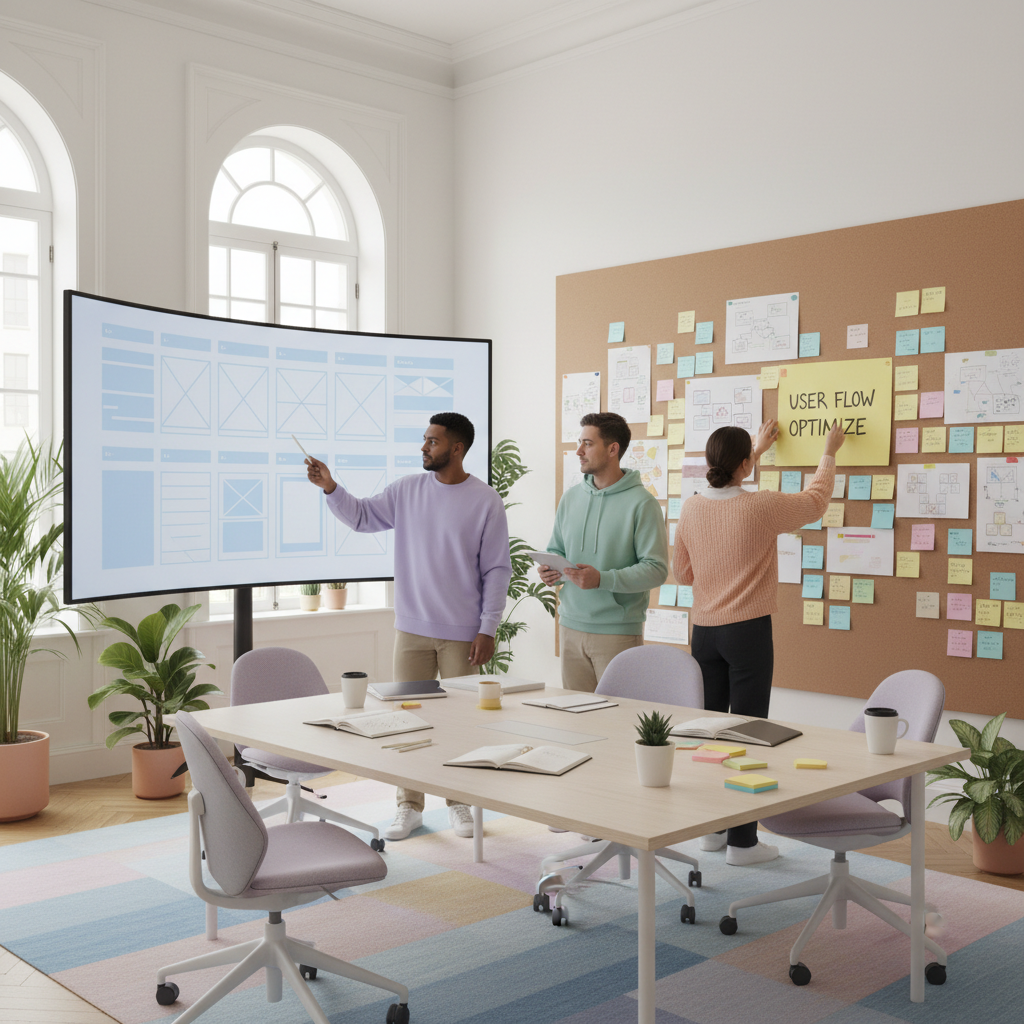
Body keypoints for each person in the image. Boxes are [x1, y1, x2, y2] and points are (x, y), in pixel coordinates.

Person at [306, 412, 512, 841]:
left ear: (456, 449)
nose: (423, 447)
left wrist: (488, 628)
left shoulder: (485, 500)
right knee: (408, 724)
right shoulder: (406, 490)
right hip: (412, 629)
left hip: (463, 633)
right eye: (424, 440)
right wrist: (330, 487)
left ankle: (460, 804)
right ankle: (408, 806)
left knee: (459, 725)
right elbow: (362, 517)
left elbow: (496, 569)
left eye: (432, 442)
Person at [674, 418, 844, 865]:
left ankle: (711, 833)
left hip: (704, 633)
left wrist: (757, 451)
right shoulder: (761, 506)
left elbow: (684, 574)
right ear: (744, 465)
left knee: (711, 737)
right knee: (748, 736)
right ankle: (742, 844)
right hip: (747, 631)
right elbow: (816, 501)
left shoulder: (690, 507)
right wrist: (829, 451)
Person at [539, 412, 668, 691]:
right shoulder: (571, 497)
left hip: (617, 633)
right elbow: (556, 549)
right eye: (579, 442)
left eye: (587, 443)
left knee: (618, 722)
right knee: (576, 724)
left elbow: (656, 569)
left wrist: (602, 579)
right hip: (570, 627)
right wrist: (552, 572)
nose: (578, 451)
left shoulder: (642, 504)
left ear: (613, 449)